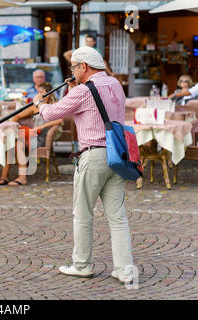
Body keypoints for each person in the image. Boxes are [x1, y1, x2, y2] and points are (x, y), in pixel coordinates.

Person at [33, 46, 134, 285]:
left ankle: (81, 265)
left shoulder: (84, 92)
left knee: (83, 212)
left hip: (93, 155)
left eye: (73, 67)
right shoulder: (115, 84)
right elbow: (96, 109)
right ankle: (125, 269)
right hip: (117, 154)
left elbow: (51, 113)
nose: (72, 71)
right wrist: (74, 89)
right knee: (117, 216)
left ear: (84, 67)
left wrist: (39, 103)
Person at [0, 82, 64, 186]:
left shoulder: (54, 105)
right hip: (33, 135)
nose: (38, 94)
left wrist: (41, 126)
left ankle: (21, 177)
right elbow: (18, 116)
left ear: (49, 94)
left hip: (43, 136)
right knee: (13, 143)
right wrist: (13, 125)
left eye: (41, 92)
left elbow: (60, 120)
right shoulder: (35, 106)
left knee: (17, 144)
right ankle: (4, 177)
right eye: (38, 92)